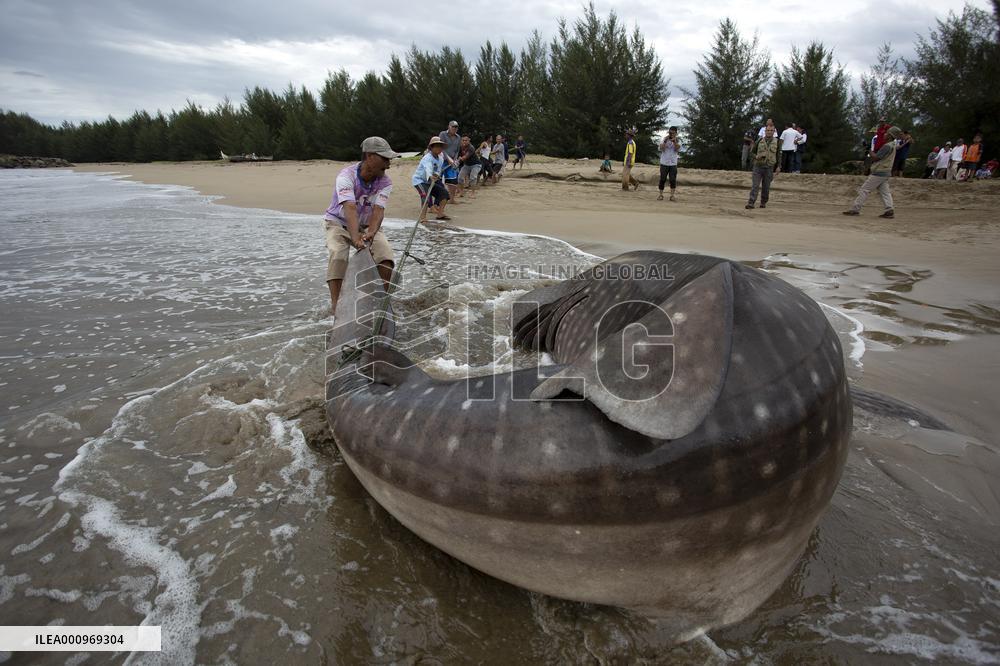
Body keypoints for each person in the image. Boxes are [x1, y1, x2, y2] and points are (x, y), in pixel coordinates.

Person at [323, 136, 400, 312]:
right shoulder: (346, 176)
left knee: (385, 257)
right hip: (338, 222)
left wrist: (371, 232)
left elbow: (378, 210)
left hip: (366, 225)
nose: (388, 164)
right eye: (385, 159)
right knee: (338, 255)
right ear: (370, 156)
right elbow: (349, 207)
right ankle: (337, 307)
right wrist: (355, 237)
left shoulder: (385, 182)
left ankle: (381, 303)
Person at [842, 125, 902, 219]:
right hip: (886, 172)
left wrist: (868, 149)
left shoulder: (887, 146)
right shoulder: (893, 145)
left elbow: (876, 157)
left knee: (864, 190)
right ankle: (889, 209)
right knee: (885, 192)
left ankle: (855, 209)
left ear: (890, 135)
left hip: (879, 171)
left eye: (887, 133)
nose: (885, 134)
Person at [413, 136, 451, 221]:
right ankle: (423, 217)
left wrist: (436, 175)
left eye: (440, 146)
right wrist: (431, 176)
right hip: (420, 180)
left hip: (431, 181)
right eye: (436, 146)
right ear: (431, 147)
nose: (438, 148)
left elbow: (438, 170)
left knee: (444, 194)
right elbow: (428, 168)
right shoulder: (427, 157)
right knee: (425, 196)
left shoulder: (440, 158)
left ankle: (440, 214)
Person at [746, 125, 780, 209]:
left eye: (771, 130)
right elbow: (752, 153)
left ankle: (763, 202)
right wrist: (756, 156)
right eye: (768, 130)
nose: (769, 132)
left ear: (774, 132)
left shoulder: (777, 142)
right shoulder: (759, 140)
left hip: (769, 167)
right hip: (758, 166)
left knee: (766, 187)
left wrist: (779, 166)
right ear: (765, 131)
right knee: (755, 186)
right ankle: (751, 203)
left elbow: (779, 155)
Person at [438, 120, 462, 200]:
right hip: (441, 160)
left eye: (456, 127)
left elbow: (457, 150)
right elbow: (441, 147)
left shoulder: (458, 137)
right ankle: (438, 199)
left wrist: (454, 160)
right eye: (453, 127)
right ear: (449, 126)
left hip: (452, 162)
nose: (454, 128)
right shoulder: (443, 134)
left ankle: (452, 199)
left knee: (452, 181)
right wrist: (448, 159)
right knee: (438, 180)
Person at [657, 126, 680, 201]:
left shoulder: (678, 140)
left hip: (673, 163)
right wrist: (665, 141)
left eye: (673, 133)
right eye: (670, 132)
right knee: (662, 179)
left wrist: (674, 141)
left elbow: (677, 149)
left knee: (673, 180)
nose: (671, 134)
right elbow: (661, 148)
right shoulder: (664, 139)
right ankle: (660, 195)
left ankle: (672, 196)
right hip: (664, 163)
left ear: (676, 133)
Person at [622, 127, 639, 191]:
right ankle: (635, 183)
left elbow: (630, 153)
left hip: (629, 161)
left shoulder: (630, 143)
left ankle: (625, 187)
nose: (625, 135)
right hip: (630, 161)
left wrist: (628, 161)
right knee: (626, 174)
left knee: (625, 175)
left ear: (629, 135)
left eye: (626, 134)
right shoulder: (632, 142)